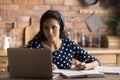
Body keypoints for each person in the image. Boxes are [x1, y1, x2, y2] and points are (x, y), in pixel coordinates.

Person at [27, 10, 101, 70]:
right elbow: (23, 66)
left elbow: (96, 62)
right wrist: (41, 68)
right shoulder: (35, 45)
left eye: (53, 27)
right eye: (46, 28)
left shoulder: (69, 44)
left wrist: (86, 66)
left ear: (61, 28)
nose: (50, 32)